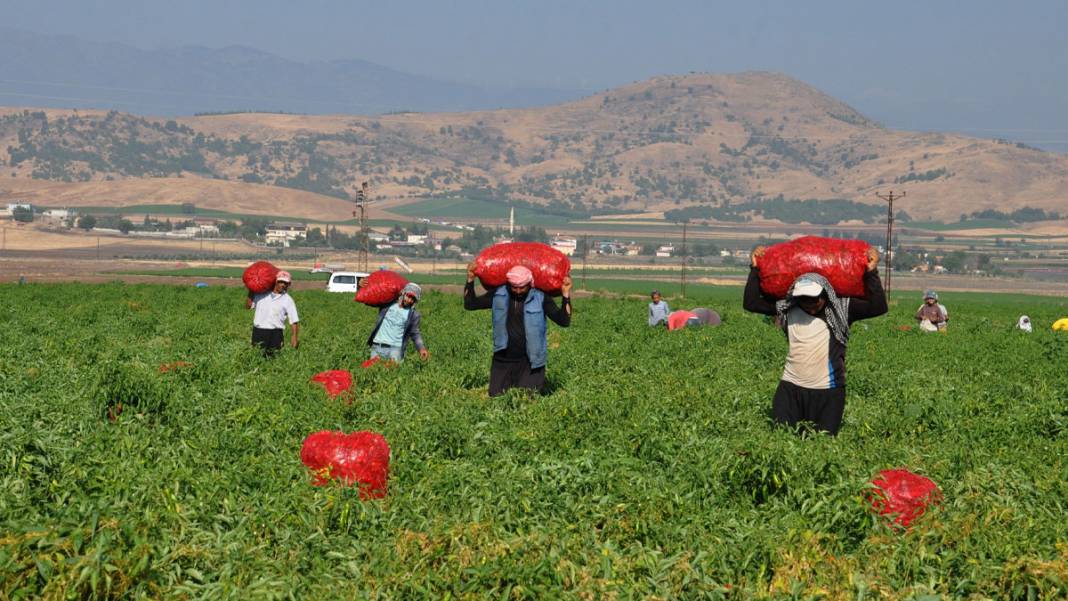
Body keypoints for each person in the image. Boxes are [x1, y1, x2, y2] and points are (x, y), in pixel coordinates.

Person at [743, 247, 887, 435]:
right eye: (804, 299)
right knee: (781, 437)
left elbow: (878, 307)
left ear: (825, 294)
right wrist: (754, 268)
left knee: (822, 443)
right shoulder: (788, 308)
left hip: (828, 392)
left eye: (814, 299)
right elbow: (751, 303)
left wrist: (871, 272)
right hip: (790, 388)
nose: (810, 304)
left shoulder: (841, 310)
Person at [464, 263, 572, 397]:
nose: (518, 291)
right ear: (509, 284)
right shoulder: (498, 294)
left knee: (526, 400)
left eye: (522, 287)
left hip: (530, 361)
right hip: (503, 359)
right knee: (496, 397)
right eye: (514, 287)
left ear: (530, 283)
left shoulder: (540, 298)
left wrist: (566, 295)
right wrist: (470, 280)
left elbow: (563, 321)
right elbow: (470, 304)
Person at [365, 282, 429, 362]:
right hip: (378, 346)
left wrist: (421, 348)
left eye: (413, 299)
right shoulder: (387, 304)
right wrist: (362, 286)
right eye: (408, 296)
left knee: (393, 373)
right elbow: (370, 300)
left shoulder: (414, 315)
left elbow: (415, 333)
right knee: (373, 371)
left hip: (395, 350)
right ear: (403, 293)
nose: (409, 300)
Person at [246, 270, 299, 356]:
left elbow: (294, 321)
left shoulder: (288, 300)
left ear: (289, 285)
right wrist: (251, 290)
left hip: (276, 334)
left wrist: (294, 337)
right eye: (280, 282)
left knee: (274, 358)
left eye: (286, 283)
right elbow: (248, 306)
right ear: (275, 281)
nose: (283, 285)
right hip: (259, 332)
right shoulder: (261, 294)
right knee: (256, 357)